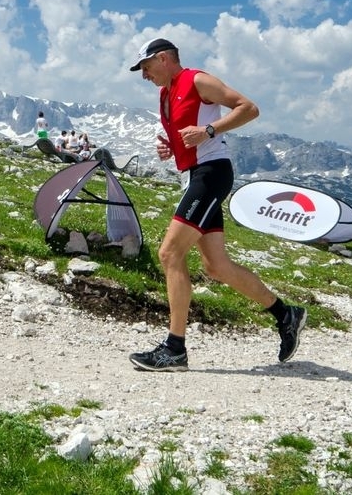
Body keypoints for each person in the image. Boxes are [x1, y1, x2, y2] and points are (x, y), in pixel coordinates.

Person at [127, 37, 306, 372]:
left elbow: (249, 108)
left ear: (164, 59)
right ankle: (286, 314)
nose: (144, 75)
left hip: (211, 174)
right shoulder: (165, 94)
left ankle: (175, 348)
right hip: (194, 175)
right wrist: (169, 148)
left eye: (146, 67)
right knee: (217, 266)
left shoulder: (197, 79)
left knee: (169, 253)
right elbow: (184, 135)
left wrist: (209, 130)